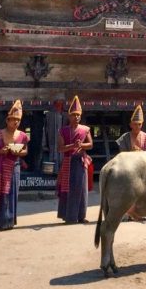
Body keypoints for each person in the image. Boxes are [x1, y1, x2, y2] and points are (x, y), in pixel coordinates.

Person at [0, 100, 30, 230]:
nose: (15, 122)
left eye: (18, 120)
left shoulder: (22, 136)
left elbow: (25, 151)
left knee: (11, 193)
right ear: (7, 120)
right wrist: (0, 151)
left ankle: (8, 221)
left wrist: (18, 152)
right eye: (13, 119)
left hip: (14, 166)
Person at [57, 95, 93, 224]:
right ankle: (68, 216)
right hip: (68, 161)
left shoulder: (85, 129)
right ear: (69, 116)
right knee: (67, 189)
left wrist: (81, 145)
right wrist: (72, 145)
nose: (76, 117)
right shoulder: (63, 131)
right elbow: (60, 148)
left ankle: (81, 216)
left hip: (80, 161)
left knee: (81, 189)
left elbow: (90, 145)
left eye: (78, 115)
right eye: (74, 115)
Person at [116, 105, 146, 222]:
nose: (137, 126)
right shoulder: (124, 138)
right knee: (127, 192)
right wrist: (133, 153)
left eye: (139, 124)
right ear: (130, 124)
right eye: (135, 124)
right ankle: (126, 214)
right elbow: (122, 154)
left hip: (141, 169)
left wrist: (141, 153)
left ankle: (139, 214)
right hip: (128, 169)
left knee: (141, 192)